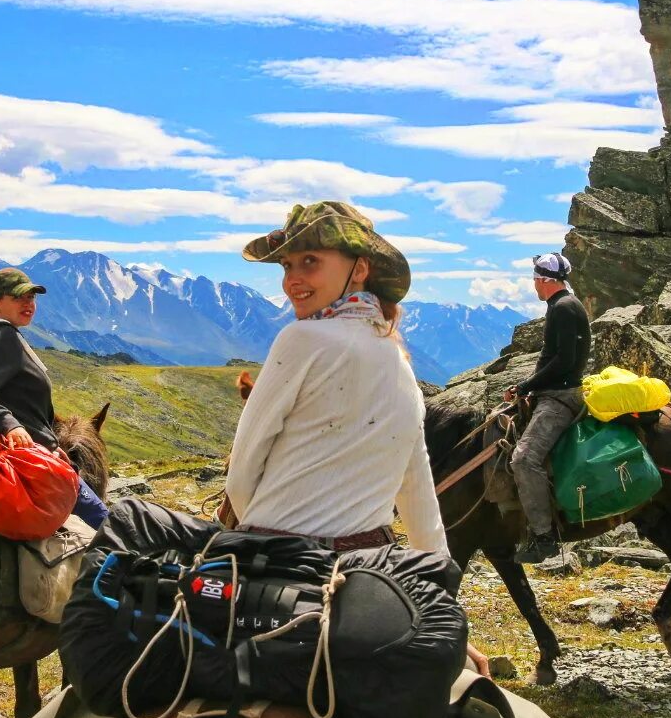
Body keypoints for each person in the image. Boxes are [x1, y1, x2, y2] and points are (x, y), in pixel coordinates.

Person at [226, 200, 489, 676]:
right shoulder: (401, 364)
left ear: (360, 269)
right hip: (371, 571)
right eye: (287, 265)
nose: (292, 280)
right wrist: (445, 611)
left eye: (311, 261)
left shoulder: (300, 340)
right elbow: (418, 495)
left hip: (279, 568)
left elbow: (241, 477)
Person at [0, 267, 108, 531]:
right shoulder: (2, 336)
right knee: (105, 523)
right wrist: (13, 426)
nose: (28, 304)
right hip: (26, 458)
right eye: (18, 297)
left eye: (32, 298)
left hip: (22, 450)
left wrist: (49, 443)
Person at [506, 252, 591, 563]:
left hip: (560, 397)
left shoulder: (563, 309)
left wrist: (528, 386)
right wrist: (528, 385)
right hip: (554, 391)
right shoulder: (563, 305)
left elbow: (564, 362)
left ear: (544, 281)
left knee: (524, 460)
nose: (533, 286)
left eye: (534, 280)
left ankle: (544, 537)